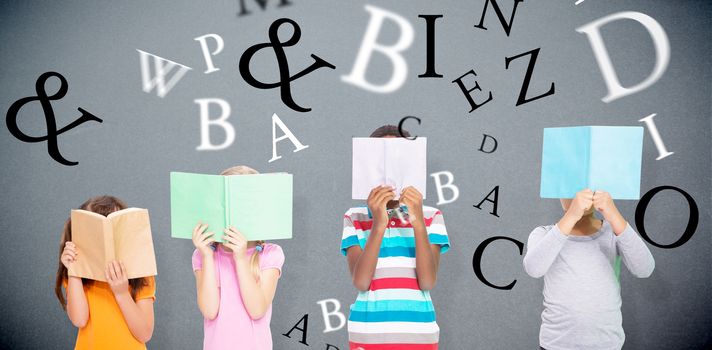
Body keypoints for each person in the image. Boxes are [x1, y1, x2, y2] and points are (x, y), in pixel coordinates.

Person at [341, 125, 450, 350]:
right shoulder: (355, 216)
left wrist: (418, 222)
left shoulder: (432, 216)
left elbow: (428, 281)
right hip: (367, 332)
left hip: (418, 332)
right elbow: (361, 282)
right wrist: (379, 224)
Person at [523, 189, 655, 350]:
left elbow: (645, 269)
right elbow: (533, 268)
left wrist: (613, 214)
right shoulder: (544, 233)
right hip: (555, 345)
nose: (580, 194)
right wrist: (571, 215)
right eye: (570, 188)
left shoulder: (613, 233)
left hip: (607, 345)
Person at [192, 165, 285, 350]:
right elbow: (210, 311)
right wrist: (207, 257)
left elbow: (257, 310)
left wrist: (241, 258)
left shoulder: (269, 254)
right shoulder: (202, 255)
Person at [55, 195, 156, 350]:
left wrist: (121, 293)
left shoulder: (141, 272)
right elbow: (79, 320)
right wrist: (74, 271)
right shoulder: (76, 276)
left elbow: (144, 334)